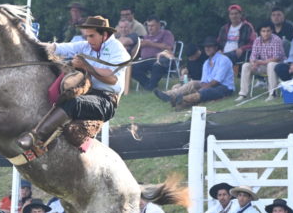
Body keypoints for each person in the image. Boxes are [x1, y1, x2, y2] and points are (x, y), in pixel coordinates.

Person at [16, 16, 129, 153]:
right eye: (86, 36)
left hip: (106, 100)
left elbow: (111, 79)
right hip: (88, 92)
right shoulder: (85, 45)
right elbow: (57, 48)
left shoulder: (117, 49)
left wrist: (86, 66)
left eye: (92, 36)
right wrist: (27, 44)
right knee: (58, 93)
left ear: (104, 35)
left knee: (74, 102)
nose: (88, 40)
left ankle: (35, 136)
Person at [153, 36, 234, 109]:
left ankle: (179, 99)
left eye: (210, 46)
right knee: (190, 85)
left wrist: (202, 88)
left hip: (224, 87)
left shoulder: (223, 60)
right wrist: (200, 86)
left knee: (204, 90)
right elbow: (204, 81)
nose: (207, 48)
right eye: (206, 47)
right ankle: (174, 97)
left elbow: (217, 81)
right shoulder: (206, 63)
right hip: (209, 85)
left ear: (216, 47)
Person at [236, 22, 286, 102]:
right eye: (263, 31)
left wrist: (260, 62)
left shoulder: (276, 39)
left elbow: (276, 58)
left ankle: (272, 94)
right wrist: (253, 63)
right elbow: (253, 56)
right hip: (263, 66)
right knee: (246, 65)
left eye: (268, 31)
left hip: (277, 66)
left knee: (271, 65)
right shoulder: (257, 40)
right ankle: (243, 94)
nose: (266, 33)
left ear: (272, 31)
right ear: (260, 32)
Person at [131, 16, 175, 90]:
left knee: (157, 65)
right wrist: (138, 45)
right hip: (145, 60)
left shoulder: (166, 33)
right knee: (131, 68)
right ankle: (149, 84)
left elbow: (168, 47)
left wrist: (150, 44)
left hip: (160, 59)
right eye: (148, 26)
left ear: (159, 25)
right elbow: (133, 53)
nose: (150, 28)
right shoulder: (145, 37)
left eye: (152, 26)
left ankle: (150, 86)